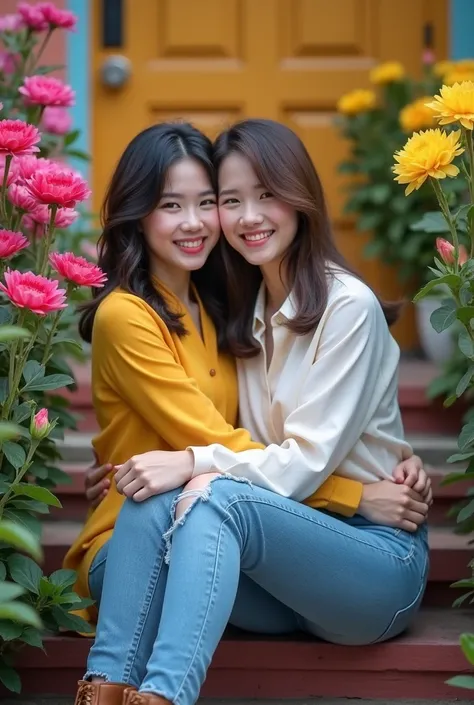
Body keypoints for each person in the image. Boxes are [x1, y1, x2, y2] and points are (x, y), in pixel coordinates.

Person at [66, 120, 431, 705]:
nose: (247, 216)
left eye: (266, 195)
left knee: (206, 490)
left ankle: (163, 696)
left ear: (301, 197)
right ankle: (107, 692)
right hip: (277, 575)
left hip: (370, 559)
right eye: (230, 200)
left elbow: (300, 461)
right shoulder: (243, 311)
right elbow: (239, 449)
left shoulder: (347, 308)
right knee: (177, 494)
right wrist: (140, 466)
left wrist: (188, 461)